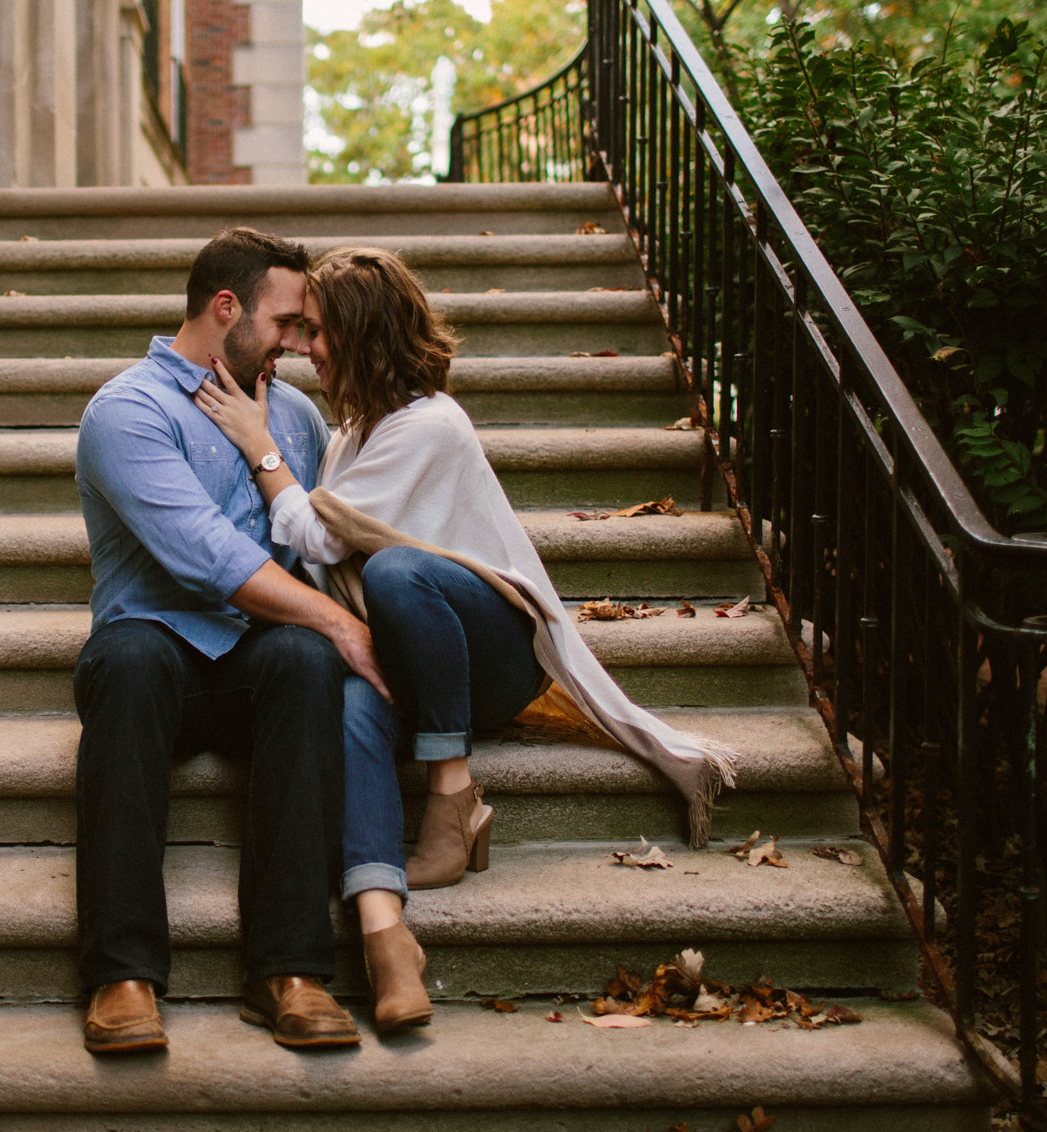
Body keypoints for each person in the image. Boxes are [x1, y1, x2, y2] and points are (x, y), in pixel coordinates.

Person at [192, 245, 740, 1036]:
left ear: (364, 334)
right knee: (350, 695)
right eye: (302, 330)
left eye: (317, 332)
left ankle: (452, 795)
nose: (305, 348)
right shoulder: (355, 434)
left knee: (396, 574)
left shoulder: (431, 425)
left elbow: (317, 534)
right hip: (415, 655)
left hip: (494, 657)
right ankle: (387, 940)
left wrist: (260, 444)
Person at [73, 226, 393, 1056]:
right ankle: (122, 973)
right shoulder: (127, 409)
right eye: (287, 323)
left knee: (302, 657)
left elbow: (322, 542)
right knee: (133, 657)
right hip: (154, 665)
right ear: (226, 308)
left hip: (255, 664)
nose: (300, 342)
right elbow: (204, 555)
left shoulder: (290, 413)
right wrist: (339, 620)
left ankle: (289, 971)